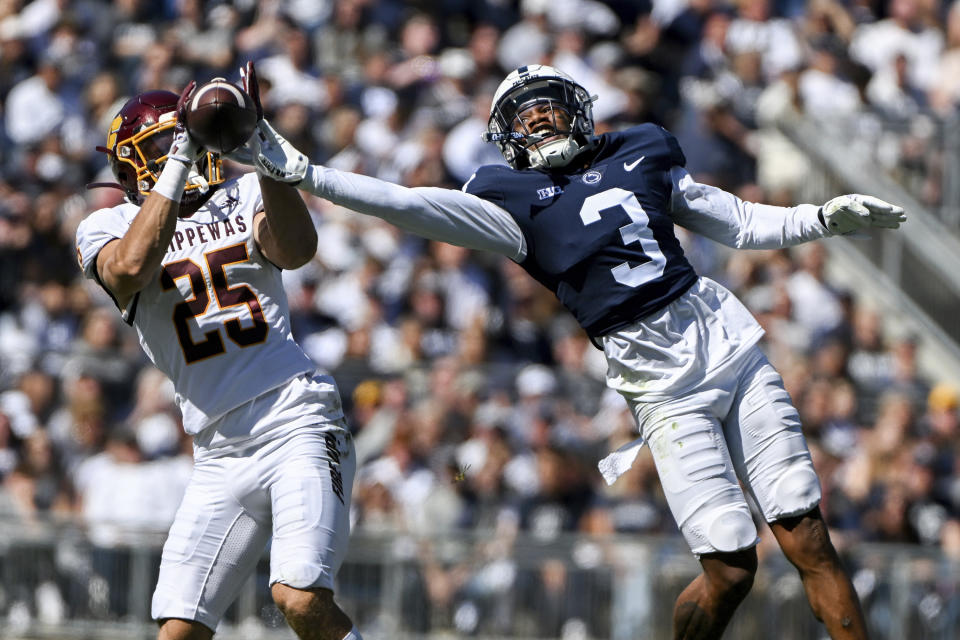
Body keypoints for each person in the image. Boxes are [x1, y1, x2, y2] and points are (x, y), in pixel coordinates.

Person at [243, 63, 905, 639]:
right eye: (526, 117)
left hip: (726, 341)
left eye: (550, 108)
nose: (541, 121)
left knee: (806, 530)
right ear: (508, 136)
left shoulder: (639, 149)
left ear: (578, 111)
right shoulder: (510, 201)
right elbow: (408, 204)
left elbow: (733, 219)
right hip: (659, 383)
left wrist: (820, 218)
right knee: (730, 565)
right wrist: (306, 173)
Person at [74, 64, 362, 640]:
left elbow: (297, 249)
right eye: (156, 144)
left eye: (180, 136)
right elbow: (130, 268)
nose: (176, 148)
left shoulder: (245, 190)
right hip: (218, 451)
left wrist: (260, 147)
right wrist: (178, 160)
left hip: (294, 419)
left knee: (299, 598)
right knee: (178, 632)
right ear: (128, 163)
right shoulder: (106, 224)